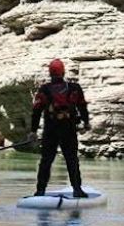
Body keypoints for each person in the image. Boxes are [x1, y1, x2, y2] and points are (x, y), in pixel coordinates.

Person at [27, 58, 90, 198]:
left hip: (51, 130)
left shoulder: (44, 90)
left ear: (50, 73)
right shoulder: (74, 88)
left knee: (46, 161)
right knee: (72, 159)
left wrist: (33, 131)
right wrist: (86, 123)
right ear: (63, 72)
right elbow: (82, 106)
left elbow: (36, 111)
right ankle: (77, 189)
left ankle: (40, 191)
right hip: (69, 129)